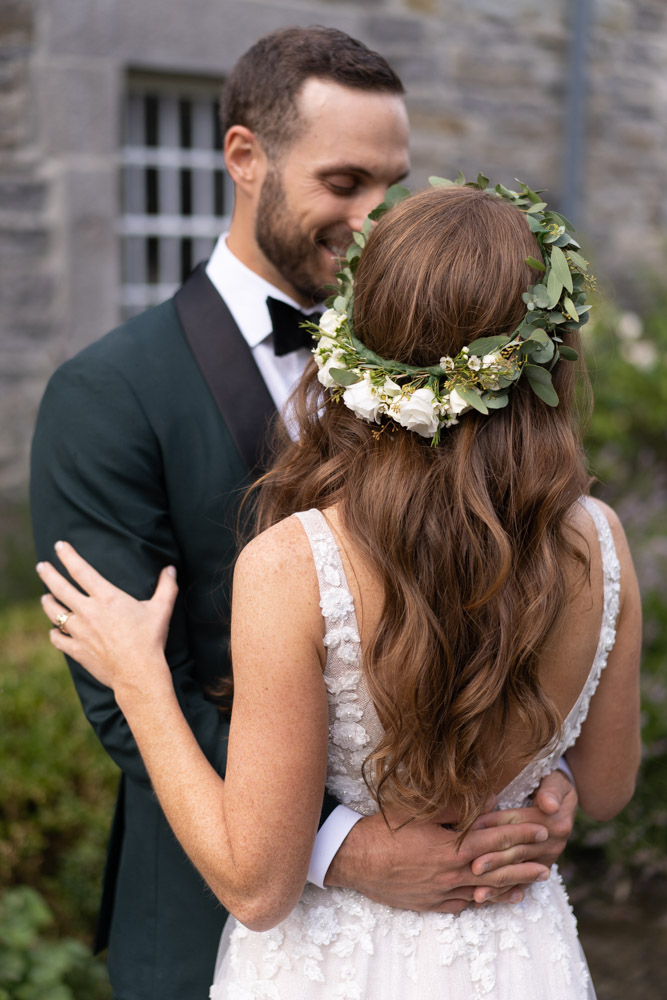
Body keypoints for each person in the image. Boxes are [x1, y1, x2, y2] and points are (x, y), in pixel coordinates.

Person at [31, 26, 577, 1000]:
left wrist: (536, 786)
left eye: (393, 186)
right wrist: (345, 846)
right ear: (246, 158)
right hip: (216, 909)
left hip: (463, 910)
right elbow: (125, 681)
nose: (375, 220)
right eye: (344, 182)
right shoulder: (106, 392)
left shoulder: (448, 363)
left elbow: (506, 585)